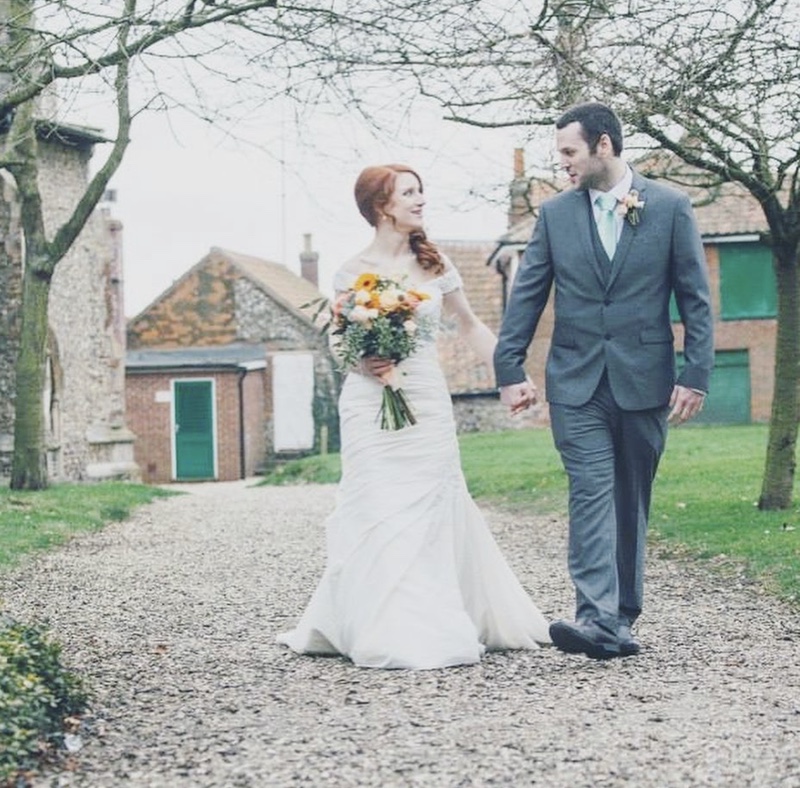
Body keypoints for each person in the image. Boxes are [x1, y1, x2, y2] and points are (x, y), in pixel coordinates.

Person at [277, 164, 551, 669]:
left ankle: (433, 614)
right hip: (368, 402)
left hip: (424, 397)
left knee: (430, 503)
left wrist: (512, 374)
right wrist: (363, 361)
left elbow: (470, 325)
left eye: (421, 191)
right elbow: (338, 342)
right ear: (381, 206)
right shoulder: (350, 271)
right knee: (376, 504)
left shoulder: (435, 264)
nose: (421, 200)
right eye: (409, 193)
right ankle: (380, 621)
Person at [494, 102, 714, 660]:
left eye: (569, 152)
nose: (562, 163)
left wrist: (696, 374)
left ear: (604, 146)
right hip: (576, 382)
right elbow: (527, 294)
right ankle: (595, 618)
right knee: (591, 492)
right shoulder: (555, 216)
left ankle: (620, 618)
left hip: (646, 380)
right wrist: (510, 367)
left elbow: (695, 299)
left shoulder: (670, 207)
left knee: (630, 499)